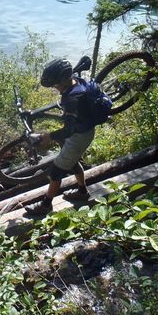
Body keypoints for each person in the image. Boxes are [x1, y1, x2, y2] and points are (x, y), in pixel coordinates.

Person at [25, 58, 96, 216]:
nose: (55, 88)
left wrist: (49, 136)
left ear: (64, 80)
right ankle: (83, 192)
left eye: (56, 84)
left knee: (56, 171)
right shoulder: (75, 81)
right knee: (72, 161)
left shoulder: (71, 100)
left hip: (80, 135)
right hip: (84, 130)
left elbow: (69, 131)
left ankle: (46, 205)